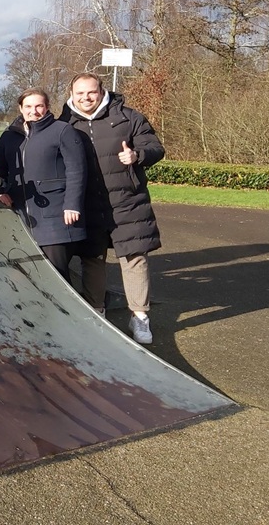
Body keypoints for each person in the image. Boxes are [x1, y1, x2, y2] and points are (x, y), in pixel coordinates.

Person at [60, 73, 164, 344]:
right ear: (71, 94)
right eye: (80, 93)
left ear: (101, 90)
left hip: (128, 201)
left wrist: (137, 156)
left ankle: (140, 317)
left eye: (91, 92)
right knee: (92, 258)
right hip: (88, 202)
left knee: (134, 257)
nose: (86, 98)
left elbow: (154, 147)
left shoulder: (129, 117)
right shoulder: (64, 123)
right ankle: (97, 311)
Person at [0, 88, 87, 281]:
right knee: (22, 275)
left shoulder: (62, 131)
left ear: (47, 107)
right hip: (20, 216)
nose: (33, 111)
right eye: (28, 106)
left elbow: (77, 170)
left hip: (55, 218)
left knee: (56, 277)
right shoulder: (9, 136)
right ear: (20, 108)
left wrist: (72, 205)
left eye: (39, 106)